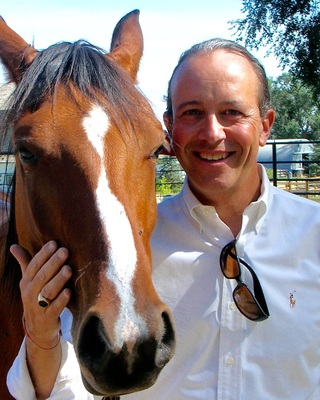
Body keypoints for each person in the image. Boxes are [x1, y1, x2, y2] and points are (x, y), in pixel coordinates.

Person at [7, 38, 320, 399]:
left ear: (265, 126)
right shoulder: (129, 247)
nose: (212, 133)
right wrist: (42, 337)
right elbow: (68, 391)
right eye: (191, 113)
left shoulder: (312, 236)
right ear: (169, 131)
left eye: (232, 112)